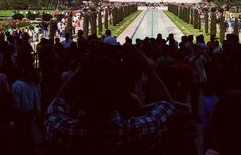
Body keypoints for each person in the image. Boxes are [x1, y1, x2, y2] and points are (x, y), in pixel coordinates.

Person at [44, 49, 176, 154]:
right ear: (120, 95)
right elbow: (168, 105)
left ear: (80, 94)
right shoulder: (134, 131)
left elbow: (56, 103)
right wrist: (147, 67)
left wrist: (82, 68)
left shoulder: (65, 131)